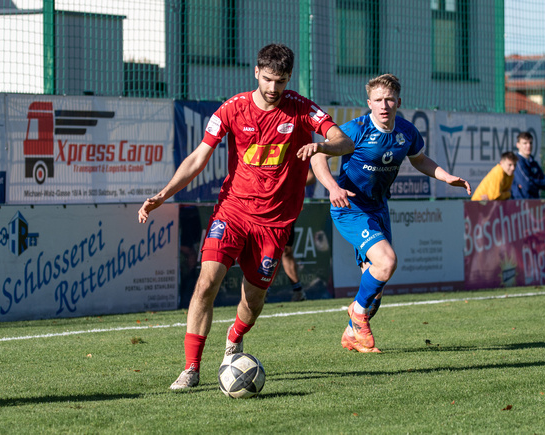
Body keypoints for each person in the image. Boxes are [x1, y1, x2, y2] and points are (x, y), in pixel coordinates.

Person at [138, 43, 354, 390]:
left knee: (252, 301)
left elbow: (344, 141)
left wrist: (322, 145)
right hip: (233, 210)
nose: (273, 88)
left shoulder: (301, 108)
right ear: (256, 72)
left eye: (280, 81)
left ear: (288, 79)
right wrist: (164, 195)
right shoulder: (232, 109)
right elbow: (198, 158)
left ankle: (235, 337)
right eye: (267, 79)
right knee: (207, 282)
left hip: (275, 221)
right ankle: (191, 368)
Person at [310, 74, 471, 353]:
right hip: (350, 207)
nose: (384, 105)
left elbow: (420, 159)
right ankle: (357, 314)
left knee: (376, 290)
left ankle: (351, 334)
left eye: (389, 99)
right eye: (378, 100)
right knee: (387, 262)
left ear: (398, 101)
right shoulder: (356, 129)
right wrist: (333, 187)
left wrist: (446, 177)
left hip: (378, 208)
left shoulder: (406, 132)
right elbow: (318, 156)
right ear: (369, 103)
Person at [282, 168, 316, 302]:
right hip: (264, 206)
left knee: (285, 251)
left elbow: (311, 177)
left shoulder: (294, 151)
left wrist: (285, 183)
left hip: (287, 209)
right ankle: (261, 292)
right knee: (268, 250)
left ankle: (298, 291)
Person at [510, 131, 545, 199]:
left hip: (534, 203)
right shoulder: (517, 162)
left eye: (530, 143)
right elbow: (527, 185)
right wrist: (538, 184)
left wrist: (533, 181)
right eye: (525, 143)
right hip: (521, 204)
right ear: (518, 145)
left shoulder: (533, 163)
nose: (528, 146)